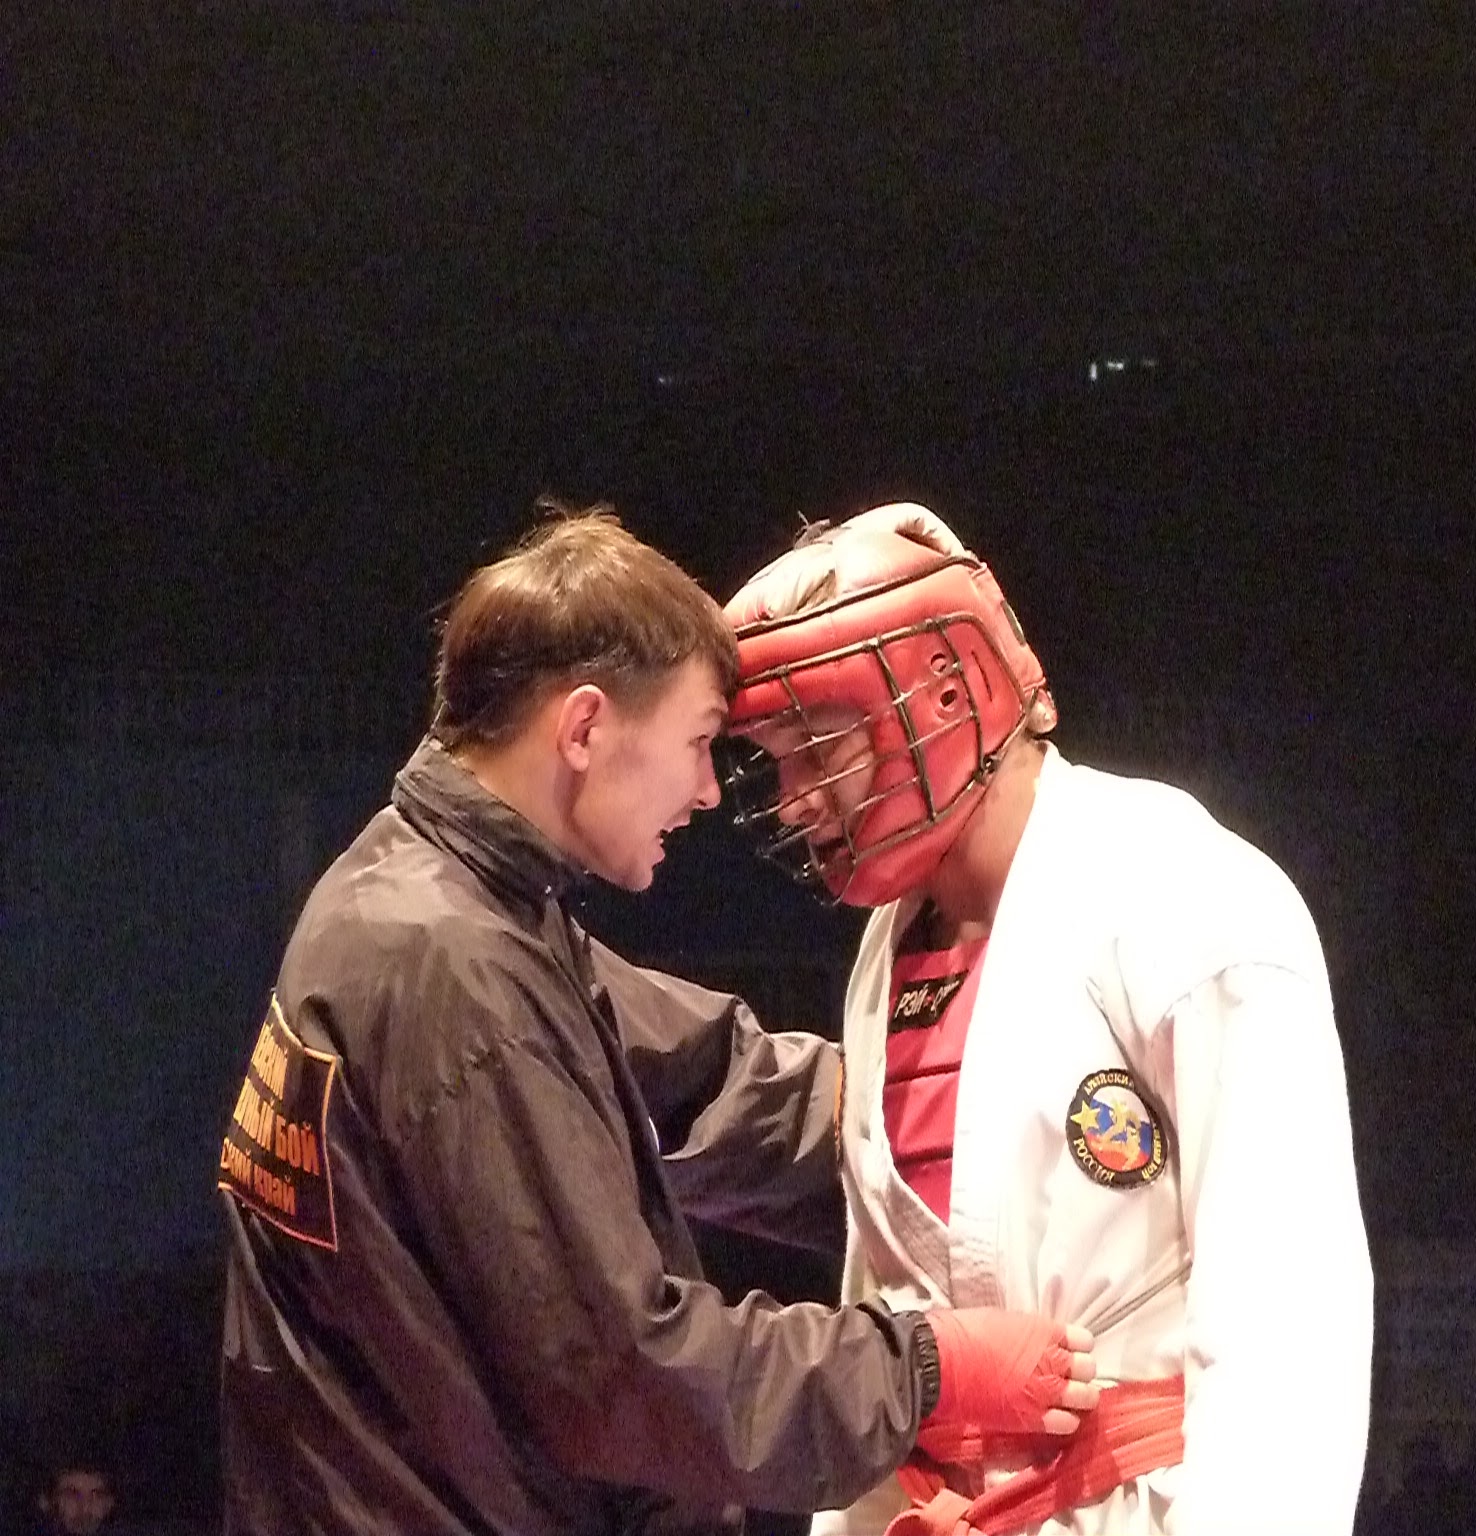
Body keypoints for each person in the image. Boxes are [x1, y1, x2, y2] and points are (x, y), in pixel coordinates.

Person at [216, 503, 1097, 1536]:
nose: (709, 792)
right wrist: (925, 1373)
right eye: (700, 742)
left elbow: (703, 1082)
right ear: (585, 728)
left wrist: (936, 1115)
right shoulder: (450, 968)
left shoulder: (427, 894)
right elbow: (619, 1371)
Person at [720, 503, 1373, 1535]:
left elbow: (1285, 1306)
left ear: (946, 694)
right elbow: (889, 1303)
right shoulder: (892, 941)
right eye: (777, 761)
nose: (795, 799)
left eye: (816, 748)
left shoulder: (1179, 886)